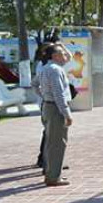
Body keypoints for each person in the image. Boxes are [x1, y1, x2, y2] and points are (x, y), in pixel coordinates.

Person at [33, 43, 74, 186]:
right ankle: (53, 177)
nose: (65, 56)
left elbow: (34, 84)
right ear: (55, 56)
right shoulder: (55, 70)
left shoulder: (45, 68)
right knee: (57, 143)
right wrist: (67, 113)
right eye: (62, 54)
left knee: (50, 142)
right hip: (55, 109)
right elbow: (58, 94)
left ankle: (51, 172)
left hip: (47, 106)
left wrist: (44, 95)